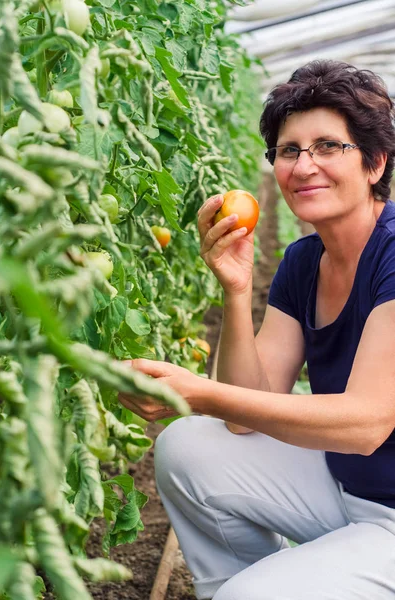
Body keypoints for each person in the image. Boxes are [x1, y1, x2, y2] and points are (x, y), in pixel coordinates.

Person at [119, 60, 395, 599]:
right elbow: (244, 417)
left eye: (328, 146)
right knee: (188, 449)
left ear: (375, 163)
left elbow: (367, 423)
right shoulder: (303, 260)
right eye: (289, 151)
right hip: (349, 489)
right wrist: (237, 288)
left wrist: (199, 391)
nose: (304, 165)